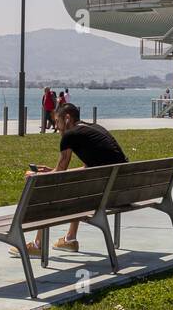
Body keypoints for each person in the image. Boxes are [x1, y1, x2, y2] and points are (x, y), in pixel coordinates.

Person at [17, 103, 128, 257]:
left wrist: (37, 176)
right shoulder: (95, 128)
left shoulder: (70, 135)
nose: (57, 126)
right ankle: (70, 239)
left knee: (45, 189)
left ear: (67, 118)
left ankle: (38, 245)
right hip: (123, 190)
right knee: (78, 188)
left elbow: (60, 172)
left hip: (105, 195)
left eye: (58, 121)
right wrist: (52, 171)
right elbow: (85, 168)